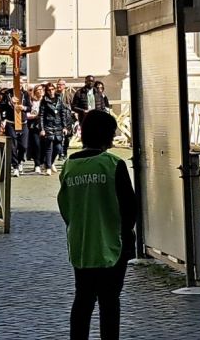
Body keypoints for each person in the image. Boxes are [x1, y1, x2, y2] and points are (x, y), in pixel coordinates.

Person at [58, 110, 137, 340]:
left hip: (82, 242)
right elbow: (129, 207)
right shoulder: (113, 164)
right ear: (107, 136)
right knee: (109, 301)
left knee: (83, 299)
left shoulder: (69, 166)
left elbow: (64, 205)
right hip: (113, 242)